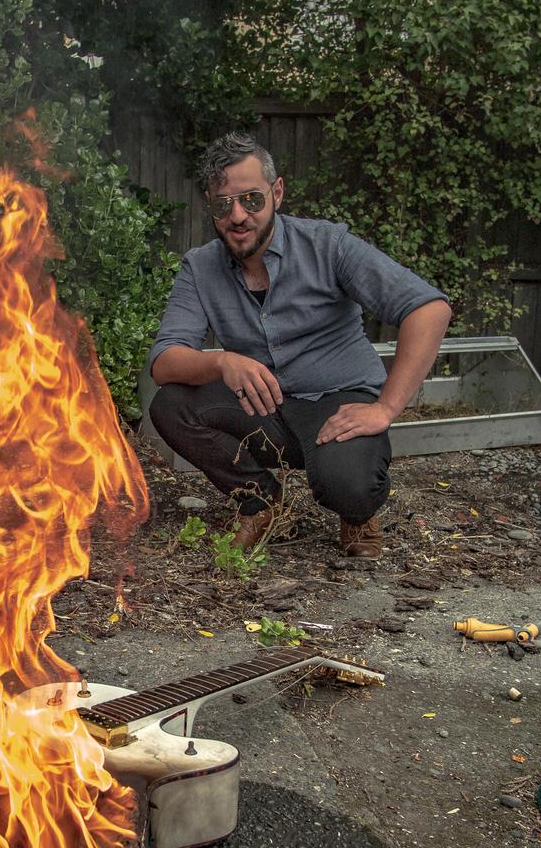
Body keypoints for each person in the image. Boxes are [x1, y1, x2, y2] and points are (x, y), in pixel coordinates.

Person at [148, 131, 452, 559]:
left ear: (277, 192)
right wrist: (222, 362)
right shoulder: (200, 268)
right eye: (223, 205)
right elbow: (164, 361)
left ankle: (357, 510)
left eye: (251, 199)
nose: (237, 216)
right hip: (263, 406)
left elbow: (428, 308)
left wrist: (385, 408)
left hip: (338, 403)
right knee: (171, 404)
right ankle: (259, 501)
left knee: (350, 487)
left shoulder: (329, 245)